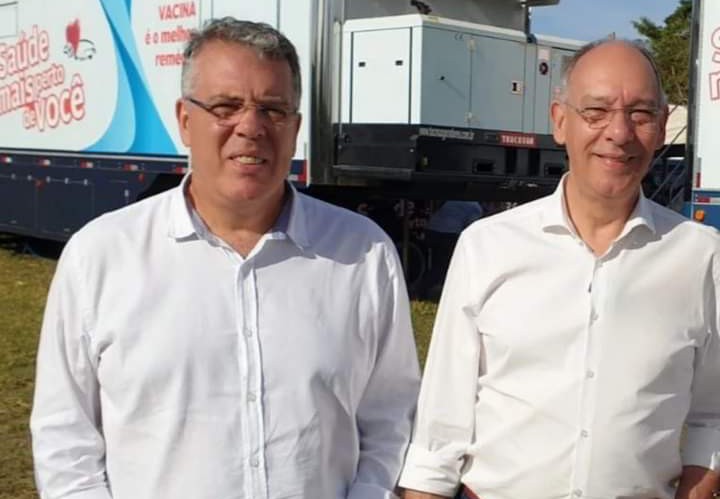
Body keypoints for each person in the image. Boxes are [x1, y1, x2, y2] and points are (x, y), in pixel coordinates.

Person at [30, 18, 420, 499]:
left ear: (296, 128)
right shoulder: (100, 256)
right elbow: (65, 440)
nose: (251, 127)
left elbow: (390, 418)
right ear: (184, 120)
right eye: (225, 107)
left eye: (273, 109)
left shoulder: (363, 254)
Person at [398, 39, 720, 499]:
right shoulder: (487, 246)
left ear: (662, 125)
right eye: (596, 111)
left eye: (641, 114)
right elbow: (439, 427)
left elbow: (713, 413)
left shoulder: (700, 256)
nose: (619, 132)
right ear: (559, 121)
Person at [423, 201, 484, 299]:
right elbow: (472, 229)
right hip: (449, 234)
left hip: (432, 229)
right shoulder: (475, 207)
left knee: (437, 262)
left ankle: (426, 289)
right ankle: (432, 290)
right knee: (445, 265)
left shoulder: (456, 200)